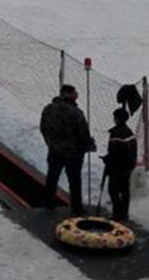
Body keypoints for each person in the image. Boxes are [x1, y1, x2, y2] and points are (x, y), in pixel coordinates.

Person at [40, 84, 95, 214]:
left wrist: (51, 143)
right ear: (68, 94)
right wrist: (88, 145)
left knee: (52, 177)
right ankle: (76, 207)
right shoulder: (75, 111)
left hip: (54, 150)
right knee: (74, 180)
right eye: (74, 92)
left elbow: (43, 127)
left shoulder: (48, 109)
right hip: (73, 153)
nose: (76, 94)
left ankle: (49, 204)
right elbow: (83, 132)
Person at [103, 108, 137, 222]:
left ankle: (117, 213)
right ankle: (124, 213)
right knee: (124, 190)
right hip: (127, 167)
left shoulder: (116, 133)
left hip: (117, 168)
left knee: (113, 190)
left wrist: (108, 160)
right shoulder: (129, 132)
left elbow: (115, 152)